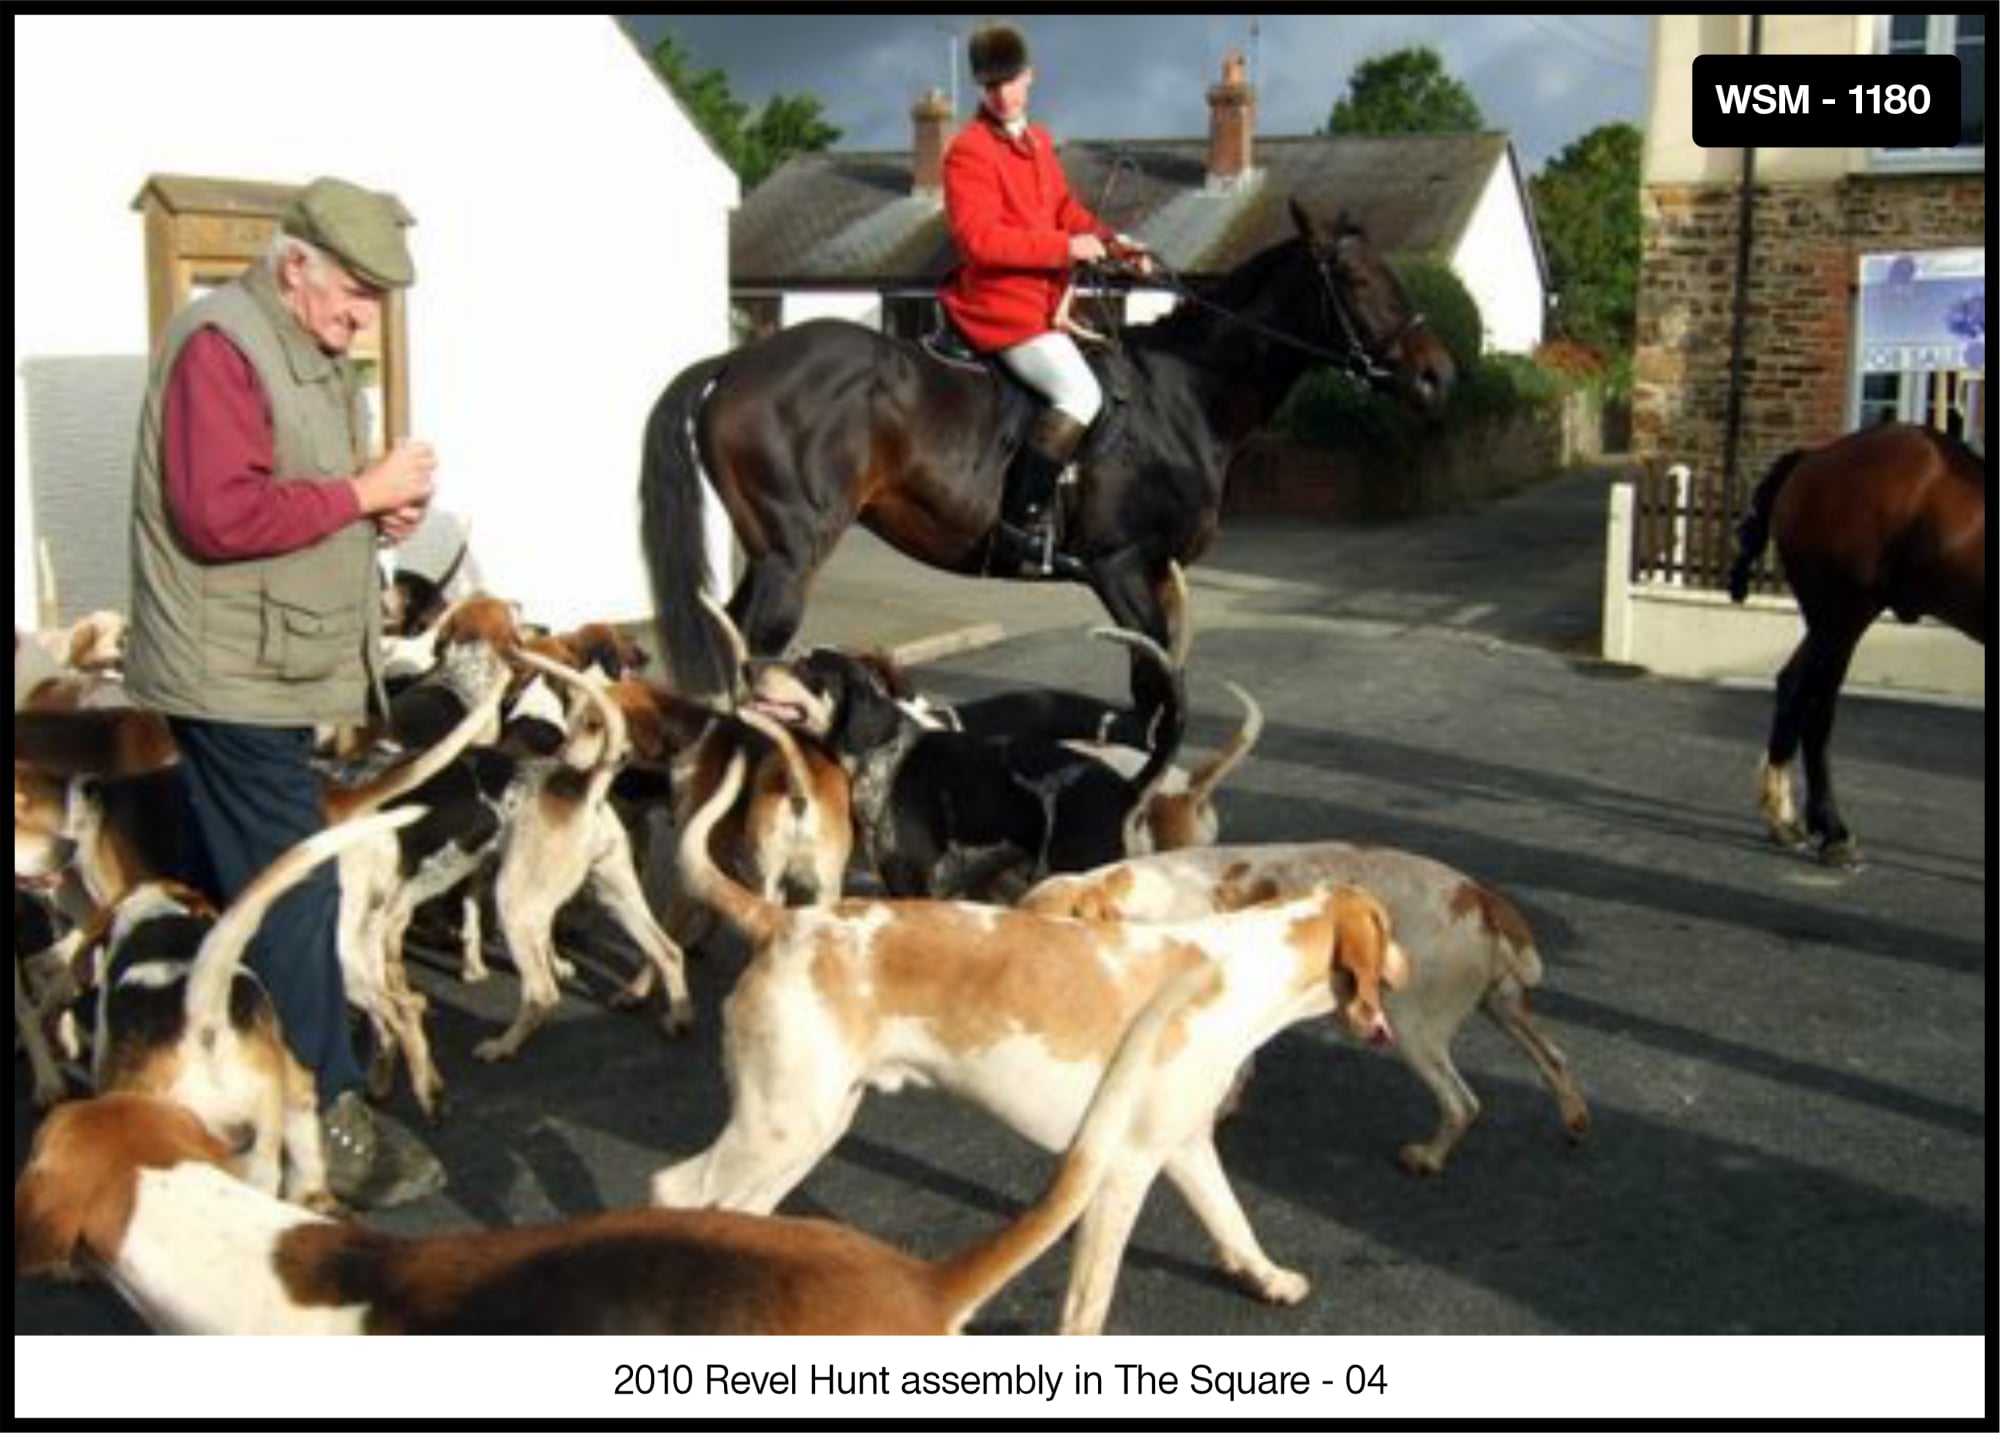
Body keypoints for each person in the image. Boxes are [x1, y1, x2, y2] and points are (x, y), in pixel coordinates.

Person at [124, 176, 444, 1209]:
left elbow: (278, 489)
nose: (364, 317)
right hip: (233, 670)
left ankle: (197, 1090)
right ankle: (323, 1112)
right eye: (353, 292)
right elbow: (216, 514)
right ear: (293, 262)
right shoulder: (222, 342)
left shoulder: (300, 346)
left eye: (376, 300)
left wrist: (368, 514)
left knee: (240, 881)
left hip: (265, 661)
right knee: (292, 888)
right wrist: (361, 491)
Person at [939, 22, 1149, 576]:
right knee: (1080, 393)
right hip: (1001, 308)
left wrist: (1114, 243)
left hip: (1045, 305)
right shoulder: (968, 151)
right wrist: (1065, 248)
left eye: (1009, 81)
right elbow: (979, 241)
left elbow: (1066, 212)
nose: (1002, 95)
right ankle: (1016, 528)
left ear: (1030, 76)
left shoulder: (1040, 142)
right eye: (990, 86)